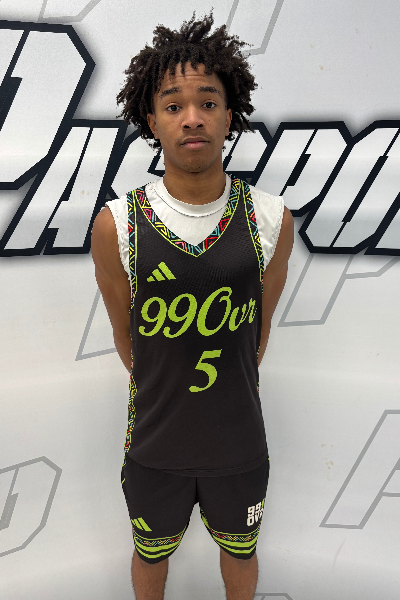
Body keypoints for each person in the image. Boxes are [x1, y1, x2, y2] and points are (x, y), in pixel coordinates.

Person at [91, 12, 294, 600]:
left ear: (230, 115)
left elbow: (257, 335)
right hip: (155, 442)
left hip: (239, 441)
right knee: (149, 555)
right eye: (173, 105)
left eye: (208, 102)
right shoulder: (117, 224)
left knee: (242, 553)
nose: (192, 117)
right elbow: (127, 338)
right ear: (150, 119)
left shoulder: (272, 219)